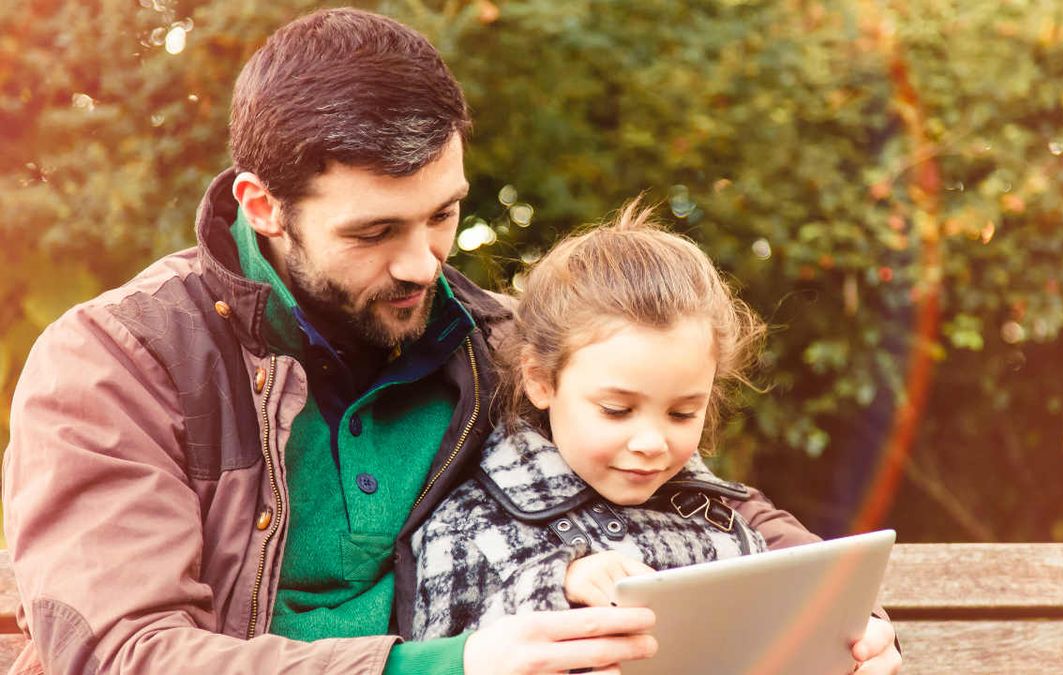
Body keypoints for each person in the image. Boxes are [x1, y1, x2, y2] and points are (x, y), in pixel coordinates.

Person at [1, 7, 899, 675]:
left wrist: (826, 601)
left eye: (444, 215)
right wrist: (446, 666)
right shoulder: (119, 362)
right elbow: (120, 650)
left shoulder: (498, 341)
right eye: (374, 233)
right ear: (262, 207)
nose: (423, 264)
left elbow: (696, 488)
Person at [407, 202, 770, 639]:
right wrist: (552, 588)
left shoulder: (719, 512)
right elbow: (449, 658)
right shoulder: (465, 530)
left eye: (683, 413)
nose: (652, 442)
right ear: (541, 380)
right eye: (617, 410)